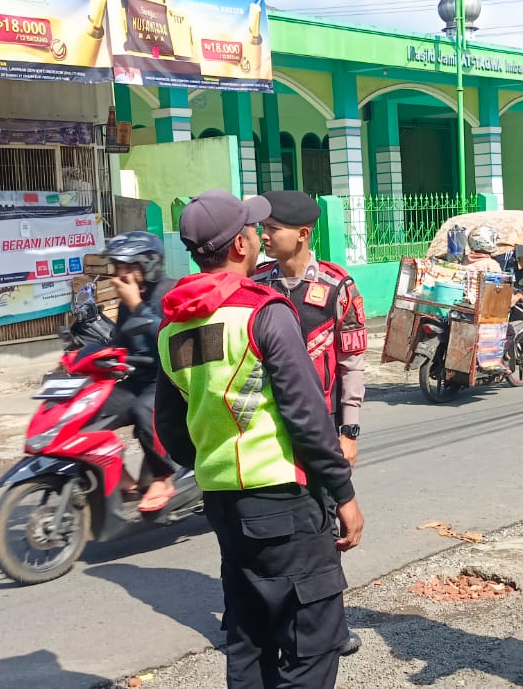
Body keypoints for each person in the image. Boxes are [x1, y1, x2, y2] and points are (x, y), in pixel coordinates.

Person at [156, 190, 363, 689]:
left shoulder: (172, 326)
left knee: (249, 638)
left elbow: (171, 430)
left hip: (223, 502)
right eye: (254, 229)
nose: (260, 235)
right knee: (313, 644)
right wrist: (344, 494)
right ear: (240, 246)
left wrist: (219, 454)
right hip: (285, 502)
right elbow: (307, 416)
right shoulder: (262, 312)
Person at [253, 191, 369, 658]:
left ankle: (329, 628)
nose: (264, 236)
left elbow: (352, 363)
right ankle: (269, 620)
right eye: (262, 228)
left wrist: (349, 431)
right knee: (274, 524)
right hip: (266, 428)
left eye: (272, 228)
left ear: (302, 234)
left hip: (321, 429)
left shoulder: (338, 287)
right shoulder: (257, 283)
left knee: (324, 526)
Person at [100, 231, 177, 511]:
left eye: (128, 268)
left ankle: (163, 477)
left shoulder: (170, 293)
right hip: (137, 379)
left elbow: (171, 339)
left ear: (149, 265)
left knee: (144, 410)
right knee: (91, 407)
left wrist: (137, 305)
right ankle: (119, 475)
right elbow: (120, 341)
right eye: (118, 268)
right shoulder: (126, 302)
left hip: (167, 380)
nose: (121, 276)